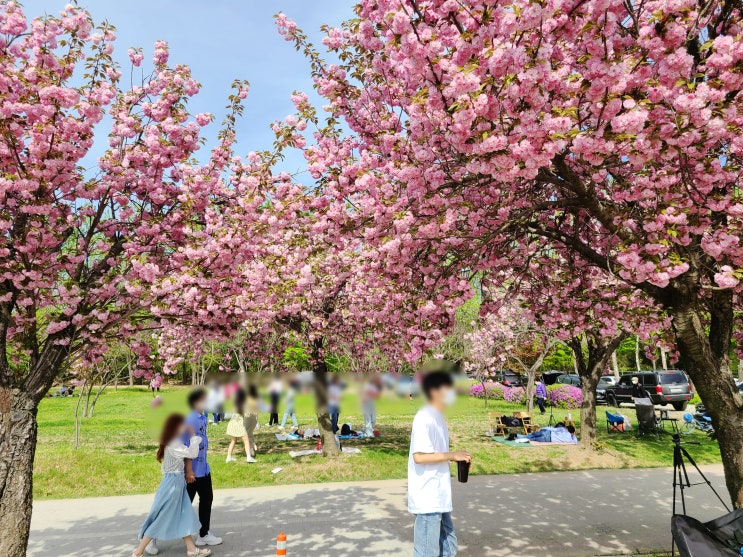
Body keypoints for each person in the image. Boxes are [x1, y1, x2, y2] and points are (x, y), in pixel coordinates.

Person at [409, 371, 472, 557]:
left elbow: (437, 454)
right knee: (427, 552)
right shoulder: (424, 417)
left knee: (449, 548)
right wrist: (452, 455)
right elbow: (419, 456)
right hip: (428, 496)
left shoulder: (438, 417)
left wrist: (459, 458)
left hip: (439, 494)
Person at [130, 414, 211, 557]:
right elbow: (192, 453)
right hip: (173, 484)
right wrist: (193, 435)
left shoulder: (170, 441)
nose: (184, 427)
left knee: (183, 514)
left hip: (175, 482)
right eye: (182, 425)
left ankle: (191, 549)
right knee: (163, 517)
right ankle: (138, 552)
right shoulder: (174, 443)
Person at [225, 389, 252, 463]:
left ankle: (228, 457)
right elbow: (247, 414)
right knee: (246, 441)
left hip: (232, 424)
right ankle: (249, 457)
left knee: (233, 441)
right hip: (239, 425)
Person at [243, 384, 260, 461]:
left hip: (247, 418)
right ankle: (252, 450)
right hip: (254, 419)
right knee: (250, 433)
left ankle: (252, 445)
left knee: (245, 435)